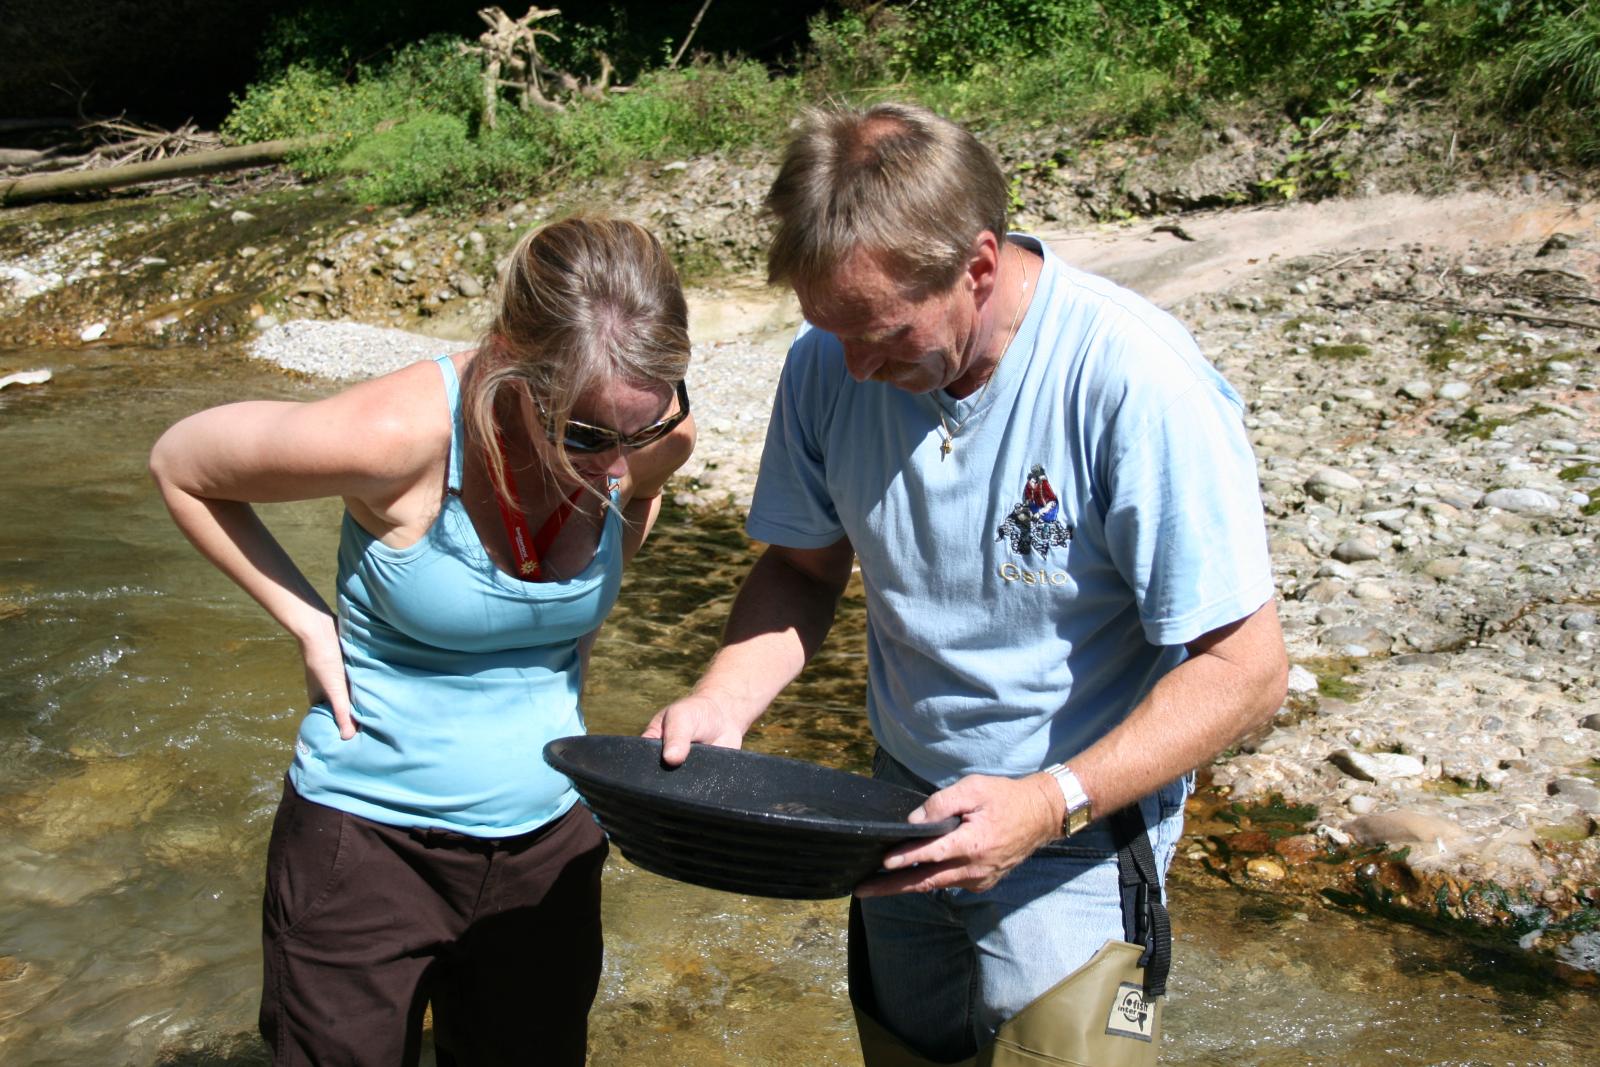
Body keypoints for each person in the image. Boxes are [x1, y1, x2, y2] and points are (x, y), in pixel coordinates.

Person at [647, 103, 1288, 1065]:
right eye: (832, 328)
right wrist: (719, 703)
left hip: (1078, 828)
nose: (856, 366)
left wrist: (1050, 799)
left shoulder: (1134, 381)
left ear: (978, 266)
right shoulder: (827, 364)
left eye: (884, 331)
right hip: (894, 818)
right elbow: (801, 568)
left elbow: (1247, 667)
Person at [150, 216, 695, 1066]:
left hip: (552, 847)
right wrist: (307, 621)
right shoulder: (393, 438)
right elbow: (181, 464)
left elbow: (641, 492)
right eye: (588, 436)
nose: (618, 467)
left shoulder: (650, 445)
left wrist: (580, 626)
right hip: (368, 852)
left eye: (645, 427)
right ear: (515, 360)